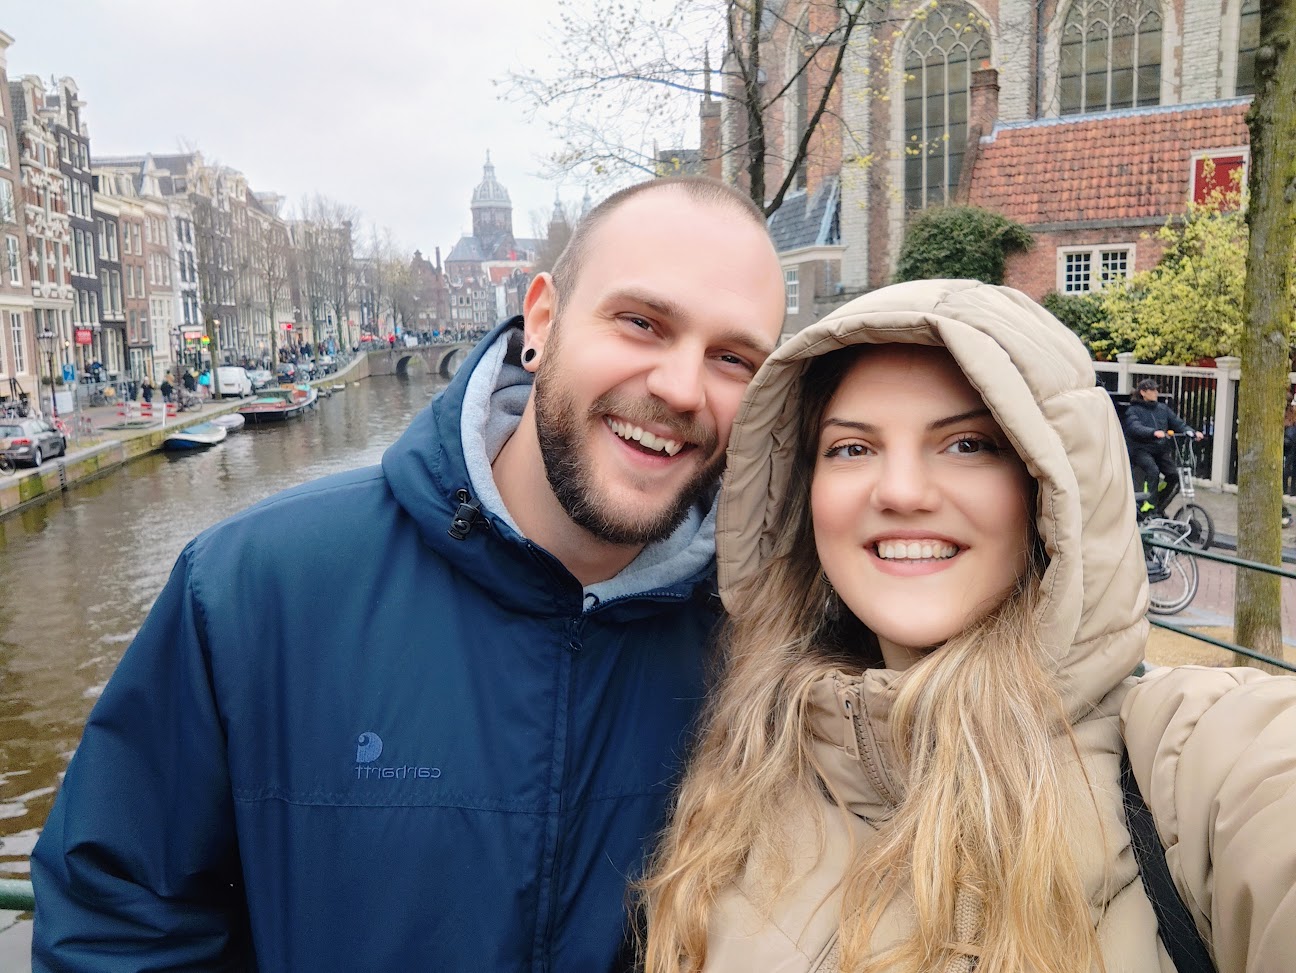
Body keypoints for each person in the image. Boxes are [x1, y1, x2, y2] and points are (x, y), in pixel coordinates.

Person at [30, 177, 787, 971]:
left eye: (734, 358)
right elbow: (118, 921)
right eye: (640, 322)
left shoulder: (772, 642)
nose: (680, 387)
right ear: (542, 320)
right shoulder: (251, 592)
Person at [640, 280, 1296, 973]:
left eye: (967, 444)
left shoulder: (1196, 768)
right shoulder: (748, 766)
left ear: (1050, 488)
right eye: (852, 448)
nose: (900, 491)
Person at [1123, 377, 1203, 515]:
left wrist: (1192, 432)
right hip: (1140, 450)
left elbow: (1178, 423)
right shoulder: (1133, 410)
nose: (1156, 392)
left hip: (1159, 449)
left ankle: (1158, 505)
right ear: (1143, 392)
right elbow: (1134, 427)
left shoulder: (1162, 409)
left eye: (1156, 390)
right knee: (1152, 471)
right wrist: (1153, 432)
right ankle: (1147, 507)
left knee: (1174, 476)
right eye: (1152, 390)